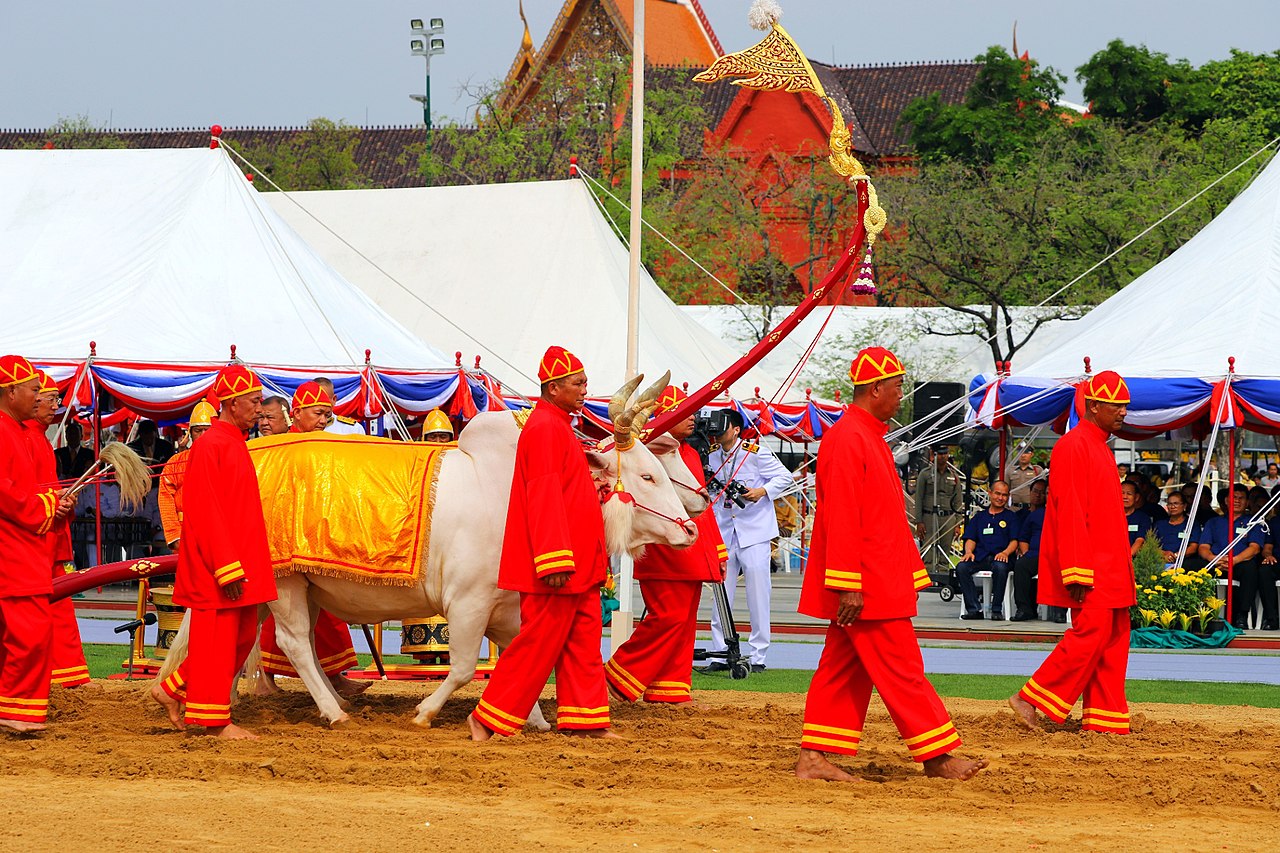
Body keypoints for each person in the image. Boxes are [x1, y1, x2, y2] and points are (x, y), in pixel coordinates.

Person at [794, 347, 986, 782]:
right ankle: (938, 756)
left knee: (841, 668)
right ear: (875, 388)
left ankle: (813, 758)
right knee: (902, 669)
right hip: (868, 582)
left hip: (875, 577)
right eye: (897, 386)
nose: (902, 395)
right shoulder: (849, 438)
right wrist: (848, 583)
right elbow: (841, 516)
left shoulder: (865, 435)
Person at [468, 346, 612, 740]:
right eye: (578, 383)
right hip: (560, 564)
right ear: (553, 388)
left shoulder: (557, 423)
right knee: (537, 643)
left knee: (584, 639)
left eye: (584, 382)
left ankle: (587, 721)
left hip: (578, 562)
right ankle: (487, 717)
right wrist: (552, 561)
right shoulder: (546, 427)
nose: (585, 389)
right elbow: (543, 495)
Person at [151, 365, 277, 739]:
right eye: (254, 402)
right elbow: (204, 511)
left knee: (237, 640)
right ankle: (211, 721)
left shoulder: (231, 440)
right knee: (218, 639)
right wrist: (226, 566)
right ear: (233, 402)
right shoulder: (212, 445)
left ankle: (172, 687)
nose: (260, 409)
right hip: (220, 564)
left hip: (239, 560)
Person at [1009, 371, 1135, 734]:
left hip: (1111, 564)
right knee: (1092, 633)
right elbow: (1069, 512)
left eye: (1125, 405)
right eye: (1117, 405)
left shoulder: (1098, 445)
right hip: (1092, 564)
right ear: (1094, 406)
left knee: (1114, 635)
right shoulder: (1073, 445)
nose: (1124, 412)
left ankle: (1106, 718)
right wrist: (1077, 568)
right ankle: (1030, 697)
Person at [604, 385, 726, 705]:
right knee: (668, 617)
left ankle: (669, 687)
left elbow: (704, 510)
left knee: (684, 620)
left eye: (693, 413)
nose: (693, 419)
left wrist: (717, 550)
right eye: (684, 413)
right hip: (664, 549)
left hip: (694, 549)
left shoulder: (688, 452)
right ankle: (619, 674)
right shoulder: (652, 450)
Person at [257, 381, 363, 698]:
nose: (322, 421)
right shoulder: (282, 449)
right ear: (297, 413)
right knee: (277, 616)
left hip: (315, 544)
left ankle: (330, 676)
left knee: (325, 615)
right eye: (318, 414)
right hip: (285, 546)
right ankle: (266, 679)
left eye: (327, 416)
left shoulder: (320, 444)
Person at [0, 355, 75, 733]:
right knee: (30, 632)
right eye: (33, 390)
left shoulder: (15, 430)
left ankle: (13, 707)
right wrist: (47, 504)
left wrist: (53, 504)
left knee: (22, 632)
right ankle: (15, 712)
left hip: (23, 544)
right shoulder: (4, 431)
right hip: (13, 548)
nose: (39, 397)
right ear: (11, 391)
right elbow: (7, 493)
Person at [706, 409, 793, 671]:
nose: (718, 434)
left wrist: (762, 491)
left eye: (723, 428)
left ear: (735, 429)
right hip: (724, 531)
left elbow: (784, 476)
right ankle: (720, 653)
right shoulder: (711, 456)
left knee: (758, 594)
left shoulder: (755, 453)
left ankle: (758, 656)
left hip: (754, 531)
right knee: (721, 594)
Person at [24, 371, 91, 689]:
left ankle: (69, 673)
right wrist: (54, 502)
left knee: (59, 607)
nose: (56, 405)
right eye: (50, 398)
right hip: (38, 537)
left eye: (55, 399)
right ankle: (67, 674)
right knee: (55, 608)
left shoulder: (37, 438)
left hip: (50, 533)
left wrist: (60, 500)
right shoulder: (26, 437)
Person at [1198, 487, 1269, 630]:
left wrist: (1234, 560)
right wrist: (1214, 558)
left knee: (1251, 569)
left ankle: (1242, 615)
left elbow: (1255, 548)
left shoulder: (1254, 522)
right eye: (1233, 497)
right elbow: (1203, 547)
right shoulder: (1213, 522)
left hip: (1240, 563)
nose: (1237, 501)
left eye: (1241, 498)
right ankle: (1200, 616)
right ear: (1226, 501)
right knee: (1194, 568)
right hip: (1216, 562)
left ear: (1247, 502)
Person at [157, 400, 217, 550]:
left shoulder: (226, 458)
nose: (203, 435)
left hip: (218, 531)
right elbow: (165, 498)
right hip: (185, 533)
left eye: (207, 430)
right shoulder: (176, 462)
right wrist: (174, 535)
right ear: (190, 433)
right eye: (198, 430)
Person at [956, 480, 1020, 620]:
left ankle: (996, 610)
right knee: (961, 567)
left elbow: (1014, 541)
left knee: (1000, 568)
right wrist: (968, 552)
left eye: (1004, 495)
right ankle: (974, 609)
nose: (1000, 498)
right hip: (980, 557)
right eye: (997, 493)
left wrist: (1005, 553)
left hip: (1002, 558)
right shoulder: (980, 517)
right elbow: (970, 538)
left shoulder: (1011, 517)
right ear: (990, 493)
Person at [915, 445, 963, 583]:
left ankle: (943, 578)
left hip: (948, 517)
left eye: (945, 453)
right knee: (928, 548)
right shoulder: (925, 474)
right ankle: (927, 578)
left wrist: (958, 523)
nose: (943, 457)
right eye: (939, 454)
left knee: (945, 548)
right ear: (933, 455)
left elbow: (958, 501)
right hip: (929, 516)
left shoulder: (954, 475)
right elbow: (919, 498)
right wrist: (919, 521)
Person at [1011, 479, 1047, 622]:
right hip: (1035, 554)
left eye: (1043, 493)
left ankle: (1059, 612)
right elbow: (1024, 538)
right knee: (1021, 565)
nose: (1039, 495)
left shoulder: (1063, 512)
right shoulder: (1033, 515)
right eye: (1036, 491)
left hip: (1056, 556)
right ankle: (1024, 608)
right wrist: (1025, 553)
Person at [1153, 492, 1201, 566]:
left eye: (1176, 503)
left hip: (1184, 562)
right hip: (1160, 560)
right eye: (1170, 504)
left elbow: (1193, 547)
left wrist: (1176, 555)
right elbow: (1151, 545)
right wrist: (1164, 554)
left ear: (1184, 505)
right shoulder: (1159, 524)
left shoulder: (1191, 523)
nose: (1172, 507)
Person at [1122, 482, 1152, 558]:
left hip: (1132, 560)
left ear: (1136, 497)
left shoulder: (1143, 518)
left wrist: (1128, 558)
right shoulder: (1110, 516)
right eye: (1122, 493)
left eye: (1129, 494)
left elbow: (1140, 540)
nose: (1125, 497)